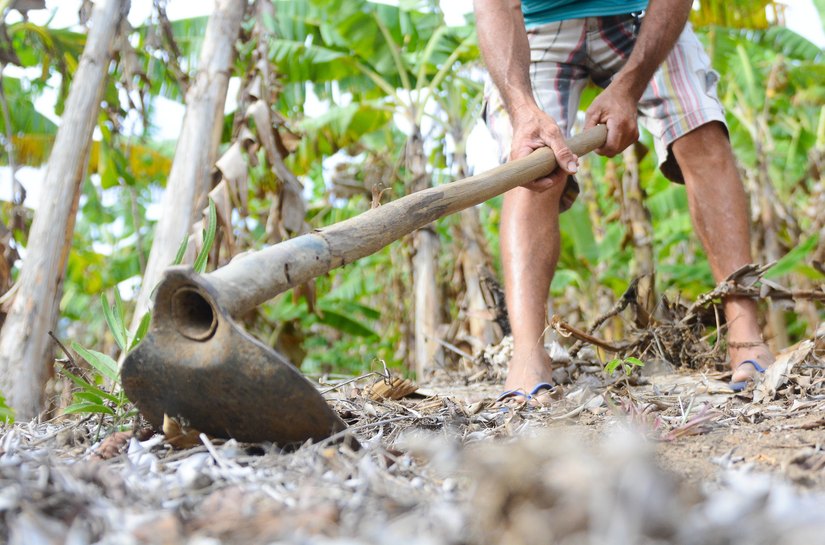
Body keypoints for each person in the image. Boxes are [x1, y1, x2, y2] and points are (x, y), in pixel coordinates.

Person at [473, 0, 774, 400]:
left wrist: (629, 88)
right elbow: (494, 5)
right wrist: (523, 109)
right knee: (533, 166)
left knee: (700, 132)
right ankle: (527, 354)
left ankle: (745, 335)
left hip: (643, 16)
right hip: (535, 27)